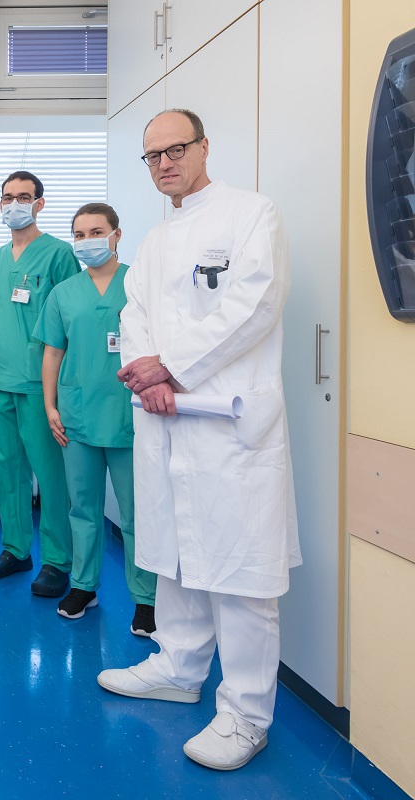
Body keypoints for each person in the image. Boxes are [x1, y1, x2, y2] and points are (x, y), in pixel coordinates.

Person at [96, 109, 300, 771]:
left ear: (204, 146)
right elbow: (134, 316)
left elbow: (255, 304)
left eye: (175, 149)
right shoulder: (156, 241)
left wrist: (171, 367)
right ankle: (179, 668)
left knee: (240, 573)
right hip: (167, 420)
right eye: (152, 156)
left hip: (229, 426)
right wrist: (149, 369)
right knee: (175, 553)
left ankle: (246, 716)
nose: (164, 164)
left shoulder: (252, 214)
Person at [34, 203, 156, 630]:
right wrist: (50, 406)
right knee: (83, 508)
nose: (87, 241)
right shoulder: (63, 293)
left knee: (136, 514)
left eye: (96, 232)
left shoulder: (140, 285)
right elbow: (53, 353)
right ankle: (83, 586)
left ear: (117, 235)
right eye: (80, 234)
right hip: (78, 416)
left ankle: (146, 599)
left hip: (130, 416)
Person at [0, 171, 76, 595]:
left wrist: (59, 389)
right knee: (7, 470)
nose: (13, 204)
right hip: (1, 382)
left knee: (50, 475)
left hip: (39, 384)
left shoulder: (58, 255)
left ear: (39, 203)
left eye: (23, 197)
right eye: (7, 197)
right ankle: (16, 550)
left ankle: (57, 561)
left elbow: (72, 318)